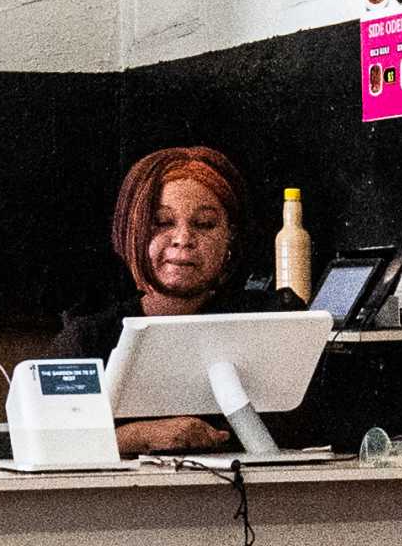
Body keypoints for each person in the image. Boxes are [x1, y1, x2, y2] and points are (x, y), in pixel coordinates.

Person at [50, 144, 302, 455]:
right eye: (162, 222)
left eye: (205, 224)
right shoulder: (86, 342)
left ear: (230, 239)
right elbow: (51, 446)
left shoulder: (271, 326)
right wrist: (139, 436)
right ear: (132, 232)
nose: (183, 239)